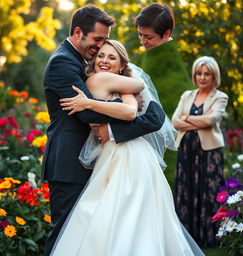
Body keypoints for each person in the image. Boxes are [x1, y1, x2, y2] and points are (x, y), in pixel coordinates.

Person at [50, 39, 204, 256]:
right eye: (101, 55)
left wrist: (90, 103)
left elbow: (131, 112)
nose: (104, 60)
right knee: (114, 212)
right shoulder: (98, 80)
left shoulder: (118, 82)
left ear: (121, 65)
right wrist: (119, 99)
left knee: (131, 214)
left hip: (132, 155)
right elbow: (130, 106)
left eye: (112, 57)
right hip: (114, 154)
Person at [42, 5, 166, 256]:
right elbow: (86, 113)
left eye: (105, 41)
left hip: (93, 160)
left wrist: (127, 101)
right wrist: (129, 104)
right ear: (78, 32)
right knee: (64, 235)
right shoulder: (62, 63)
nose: (100, 48)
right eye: (98, 40)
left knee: (88, 236)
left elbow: (92, 104)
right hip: (69, 162)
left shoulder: (84, 63)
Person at [172, 56, 228, 248]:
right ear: (195, 75)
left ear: (214, 77)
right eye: (199, 73)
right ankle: (188, 238)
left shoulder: (220, 97)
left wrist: (186, 118)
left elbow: (211, 121)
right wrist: (197, 120)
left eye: (207, 74)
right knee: (186, 189)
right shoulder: (187, 95)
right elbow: (174, 121)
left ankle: (210, 238)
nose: (202, 77)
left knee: (208, 191)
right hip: (187, 149)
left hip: (209, 152)